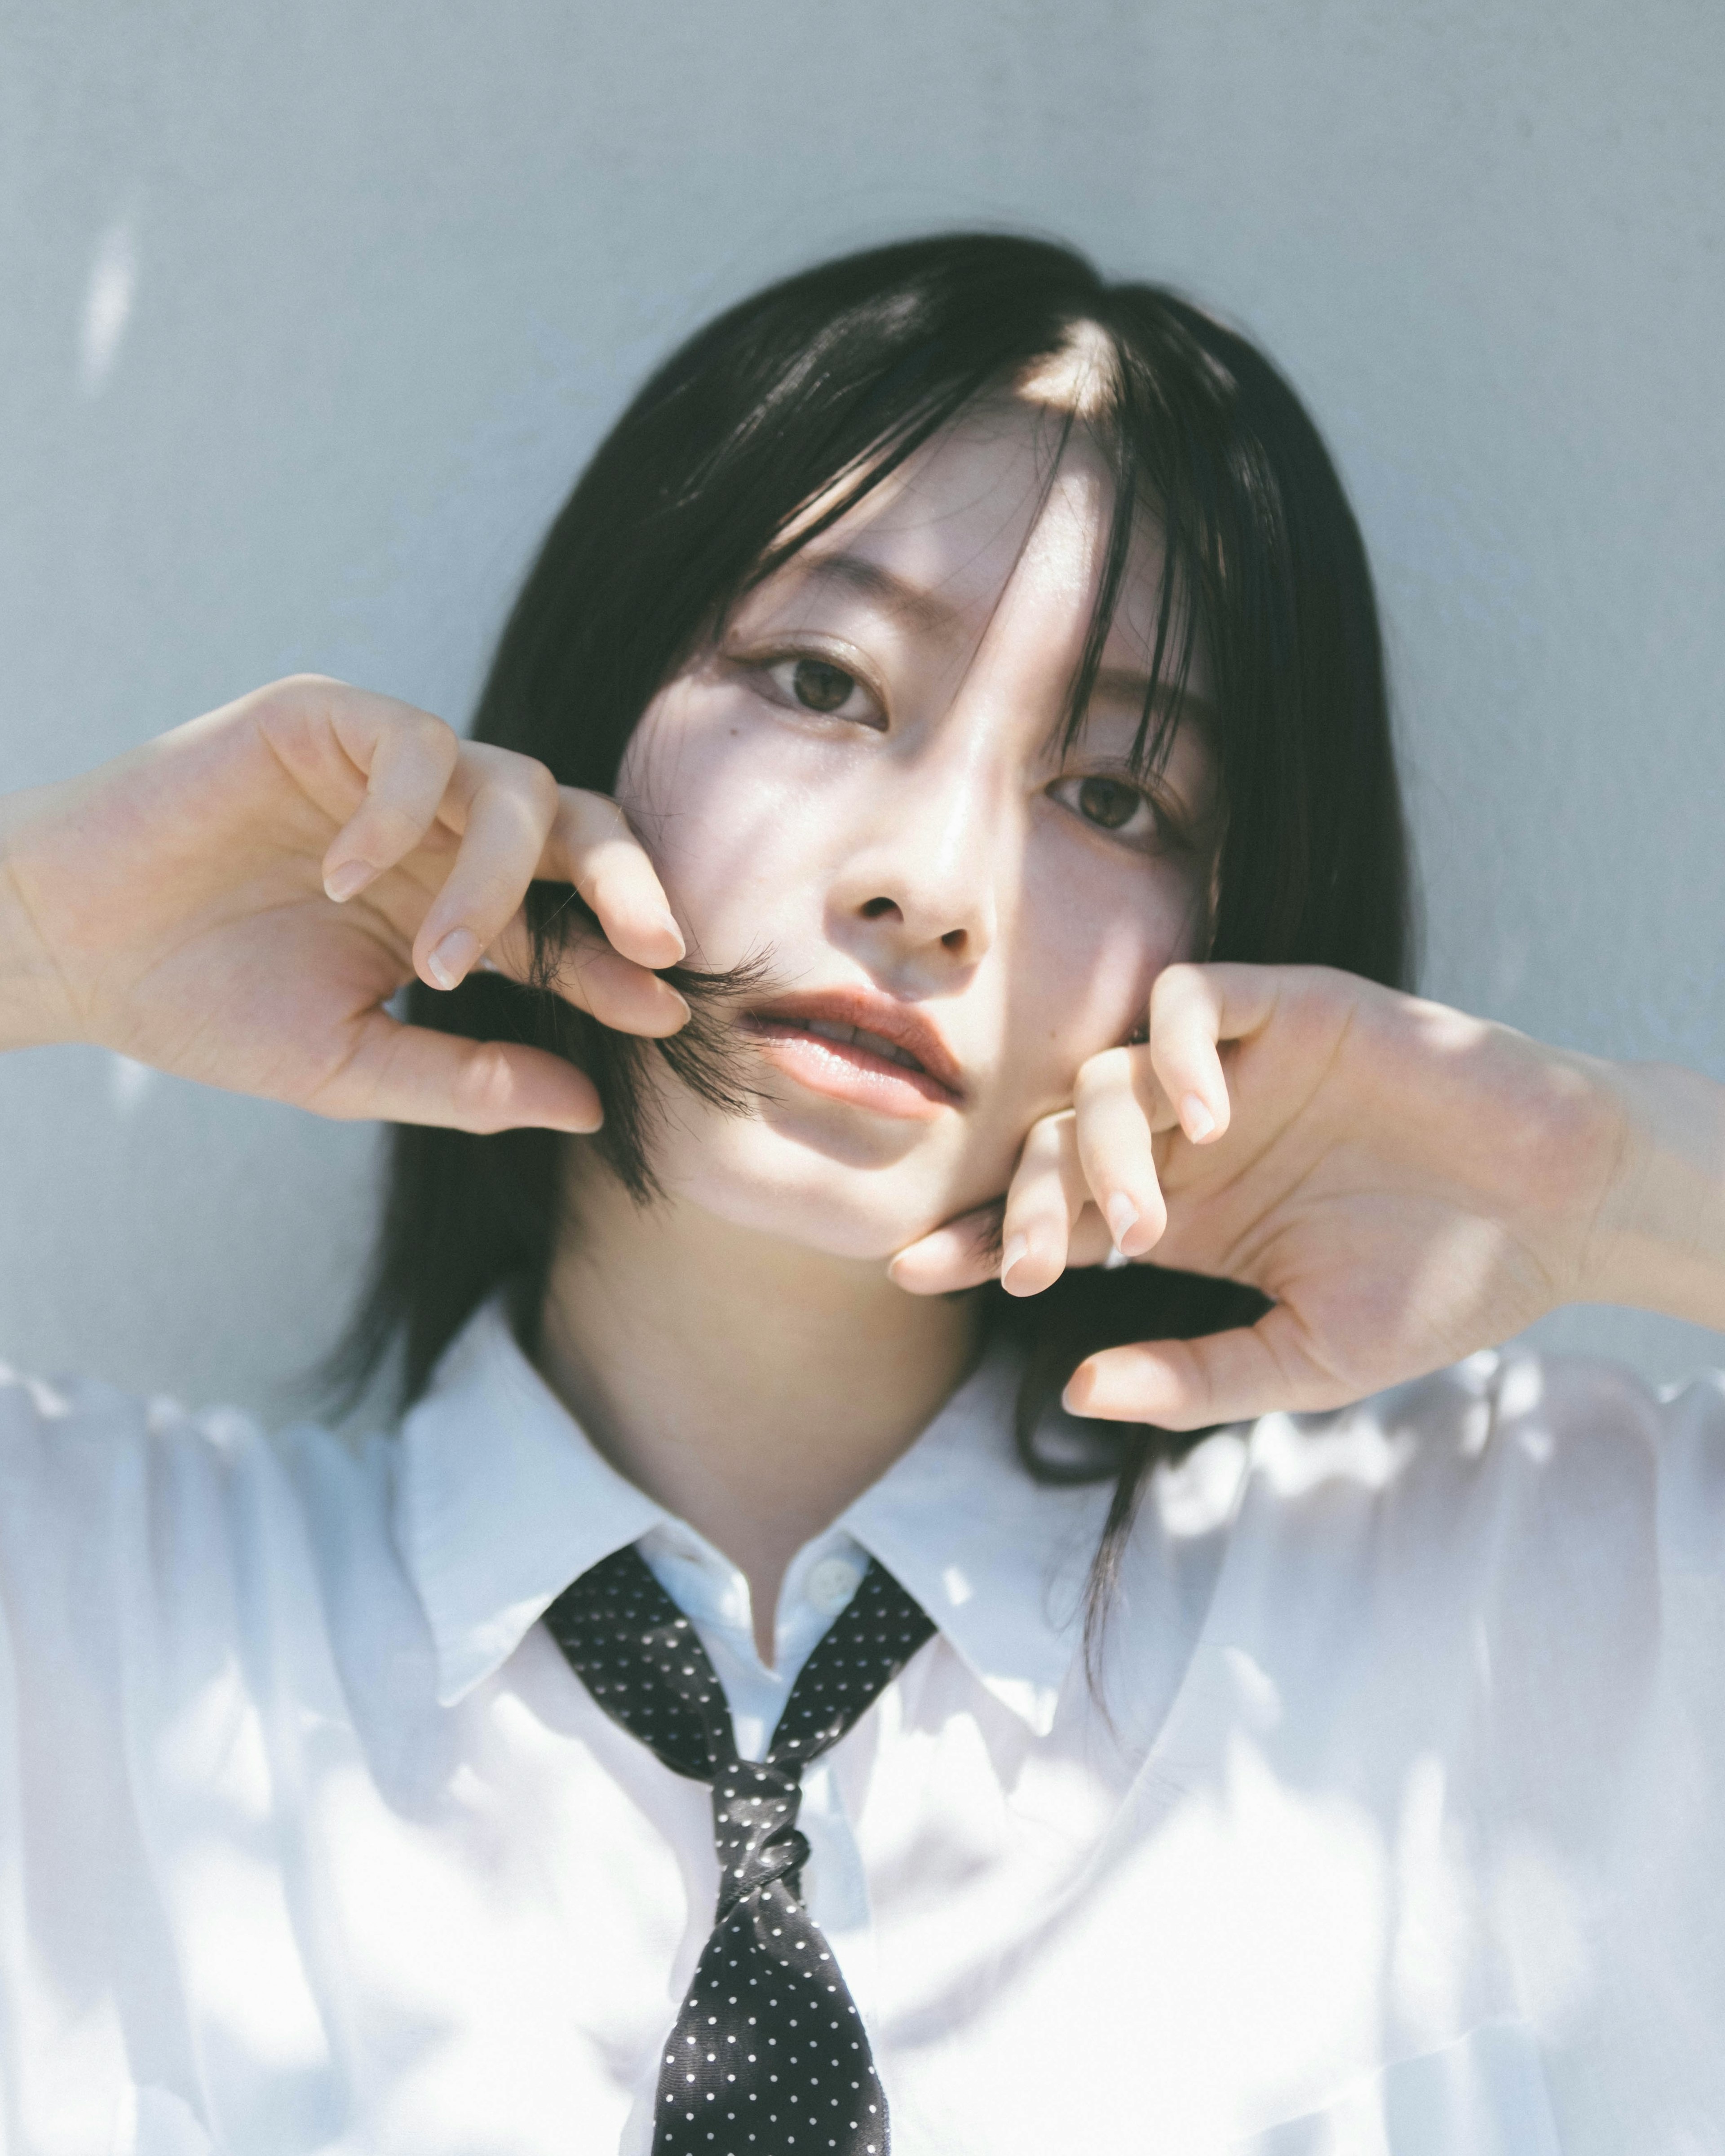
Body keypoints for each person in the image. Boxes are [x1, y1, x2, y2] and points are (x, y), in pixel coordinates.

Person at [0, 233, 1721, 2156]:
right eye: (822, 681)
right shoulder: (85, 1631)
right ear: (591, 720)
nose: (933, 877)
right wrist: (38, 939)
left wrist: (1610, 1179)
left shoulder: (1520, 1627)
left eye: (1117, 797)